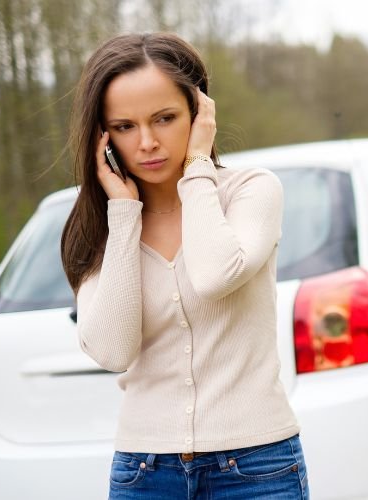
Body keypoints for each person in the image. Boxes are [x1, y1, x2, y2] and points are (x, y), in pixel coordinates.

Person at [60, 32, 309, 499]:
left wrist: (196, 165)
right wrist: (124, 215)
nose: (148, 142)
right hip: (144, 474)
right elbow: (114, 352)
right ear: (102, 135)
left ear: (199, 114)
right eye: (125, 126)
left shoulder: (250, 192)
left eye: (165, 118)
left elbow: (214, 275)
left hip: (258, 468)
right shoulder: (100, 230)